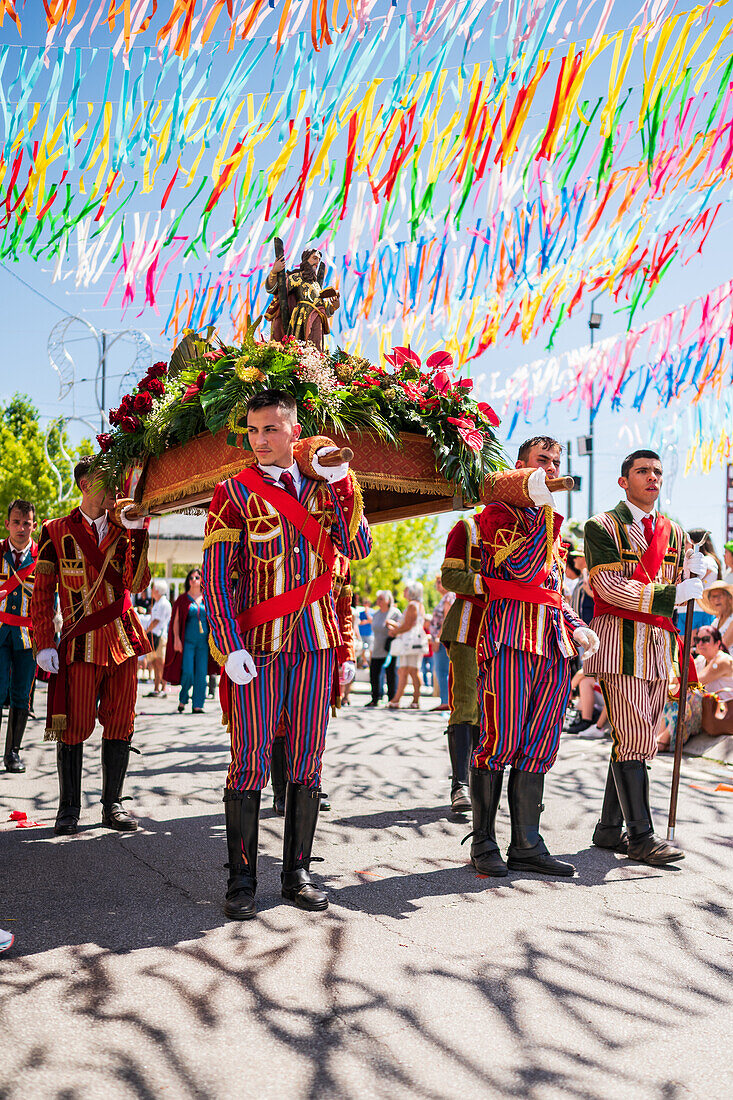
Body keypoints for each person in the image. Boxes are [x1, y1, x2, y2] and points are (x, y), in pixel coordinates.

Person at [202, 389, 371, 920]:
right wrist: (228, 645)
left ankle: (296, 872)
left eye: (271, 429)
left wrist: (341, 481)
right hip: (259, 649)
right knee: (248, 763)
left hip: (317, 646)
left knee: (306, 762)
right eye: (253, 430)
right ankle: (242, 878)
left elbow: (358, 547)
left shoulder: (326, 485)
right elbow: (216, 579)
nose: (260, 441)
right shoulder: (232, 491)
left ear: (295, 431)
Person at [467, 437, 599, 878]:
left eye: (556, 462)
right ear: (521, 467)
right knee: (498, 741)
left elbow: (552, 589)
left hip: (553, 645)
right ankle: (484, 842)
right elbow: (522, 572)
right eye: (542, 462)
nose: (552, 468)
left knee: (540, 747)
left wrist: (575, 623)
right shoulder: (496, 514)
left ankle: (526, 842)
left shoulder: (551, 523)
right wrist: (542, 509)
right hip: (511, 641)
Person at [584, 449, 705, 866]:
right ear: (623, 481)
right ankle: (641, 837)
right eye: (642, 471)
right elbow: (608, 588)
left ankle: (607, 828)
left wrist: (697, 570)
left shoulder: (674, 531)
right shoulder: (601, 526)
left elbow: (683, 580)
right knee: (636, 738)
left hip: (657, 646)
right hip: (619, 643)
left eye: (656, 471)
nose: (652, 477)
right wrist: (674, 593)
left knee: (634, 740)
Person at [30, 456, 151, 835]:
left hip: (124, 638)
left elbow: (140, 583)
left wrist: (138, 533)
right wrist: (43, 642)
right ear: (85, 485)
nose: (114, 489)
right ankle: (68, 809)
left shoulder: (125, 526)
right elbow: (42, 592)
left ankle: (113, 804)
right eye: (105, 481)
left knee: (120, 723)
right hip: (80, 641)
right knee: (74, 726)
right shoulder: (55, 530)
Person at [439, 511, 487, 812]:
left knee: (494, 711)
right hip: (469, 625)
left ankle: (483, 782)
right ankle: (461, 784)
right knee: (467, 704)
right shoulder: (468, 527)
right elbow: (450, 576)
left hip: (508, 629)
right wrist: (494, 584)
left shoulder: (534, 528)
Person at [1, 499, 38, 773]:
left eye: (27, 522)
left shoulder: (42, 556)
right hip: (0, 633)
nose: (21, 527)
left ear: (33, 525)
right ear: (7, 524)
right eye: (17, 522)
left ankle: (13, 753)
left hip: (28, 636)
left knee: (21, 695)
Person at [657, 626, 733, 750]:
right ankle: (661, 737)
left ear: (718, 643)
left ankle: (664, 740)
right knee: (670, 694)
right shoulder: (701, 660)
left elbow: (694, 682)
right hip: (708, 709)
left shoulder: (723, 660)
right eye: (697, 640)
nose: (700, 643)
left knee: (689, 696)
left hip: (723, 712)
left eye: (706, 639)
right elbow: (677, 681)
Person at [264, 248, 340, 351]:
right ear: (306, 259)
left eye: (318, 259)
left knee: (316, 347)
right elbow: (277, 290)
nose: (317, 262)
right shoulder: (296, 277)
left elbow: (319, 303)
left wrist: (334, 306)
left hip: (318, 318)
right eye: (314, 258)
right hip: (302, 317)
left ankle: (314, 361)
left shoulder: (316, 285)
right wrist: (274, 271)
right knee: (301, 345)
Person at [163, 569, 211, 714]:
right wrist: (176, 639)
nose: (193, 580)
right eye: (191, 577)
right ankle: (183, 699)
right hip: (187, 642)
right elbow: (176, 621)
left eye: (197, 577)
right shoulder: (183, 599)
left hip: (204, 643)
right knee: (188, 672)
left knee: (202, 674)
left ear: (202, 579)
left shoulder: (207, 599)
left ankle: (198, 705)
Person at [386, 582, 426, 710]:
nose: (404, 591)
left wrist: (394, 631)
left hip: (409, 643)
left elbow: (408, 625)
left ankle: (405, 699)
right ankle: (403, 699)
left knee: (410, 671)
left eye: (406, 589)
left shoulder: (412, 606)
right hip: (412, 643)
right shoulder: (418, 605)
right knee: (407, 670)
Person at [366, 590, 400, 707]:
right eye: (378, 599)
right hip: (376, 648)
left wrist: (392, 626)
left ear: (387, 600)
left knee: (391, 674)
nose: (378, 601)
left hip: (390, 649)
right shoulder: (376, 614)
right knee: (374, 674)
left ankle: (392, 699)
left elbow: (402, 627)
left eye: (381, 599)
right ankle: (375, 698)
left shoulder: (395, 613)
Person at [429, 577, 454, 712]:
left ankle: (446, 701)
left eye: (440, 581)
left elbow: (447, 618)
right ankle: (445, 700)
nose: (438, 585)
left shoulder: (449, 596)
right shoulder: (444, 598)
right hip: (440, 638)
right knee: (441, 670)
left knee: (442, 670)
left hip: (443, 639)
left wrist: (438, 638)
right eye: (437, 582)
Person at [144, 579, 171, 697]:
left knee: (161, 662)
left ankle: (163, 688)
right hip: (154, 635)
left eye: (153, 588)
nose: (152, 591)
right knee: (155, 662)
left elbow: (156, 621)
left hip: (159, 636)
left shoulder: (163, 603)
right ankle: (156, 687)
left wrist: (146, 630)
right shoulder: (157, 602)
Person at [699, 581, 733, 649]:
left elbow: (722, 646)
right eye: (713, 597)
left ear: (730, 598)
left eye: (720, 596)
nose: (716, 600)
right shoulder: (715, 622)